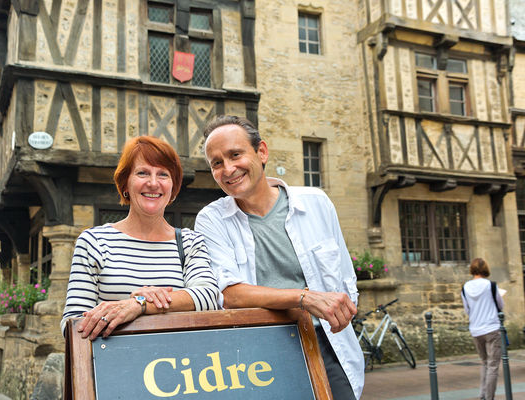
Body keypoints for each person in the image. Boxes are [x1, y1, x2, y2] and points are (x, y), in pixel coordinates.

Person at [195, 115, 364, 399]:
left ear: (261, 152)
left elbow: (346, 279)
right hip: (259, 352)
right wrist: (305, 297)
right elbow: (230, 294)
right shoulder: (212, 220)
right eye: (217, 163)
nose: (228, 168)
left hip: (327, 344)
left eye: (235, 155)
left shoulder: (316, 203)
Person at [61, 136, 220, 340]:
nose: (153, 183)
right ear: (125, 183)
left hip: (180, 367)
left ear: (173, 188)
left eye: (163, 174)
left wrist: (141, 304)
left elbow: (209, 298)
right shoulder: (94, 242)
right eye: (142, 173)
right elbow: (74, 327)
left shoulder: (190, 243)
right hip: (114, 367)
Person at [461, 258, 504, 400]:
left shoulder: (465, 287)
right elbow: (500, 305)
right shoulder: (491, 286)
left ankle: (482, 395)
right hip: (491, 328)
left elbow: (467, 310)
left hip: (476, 329)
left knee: (485, 363)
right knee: (493, 366)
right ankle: (489, 397)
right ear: (485, 268)